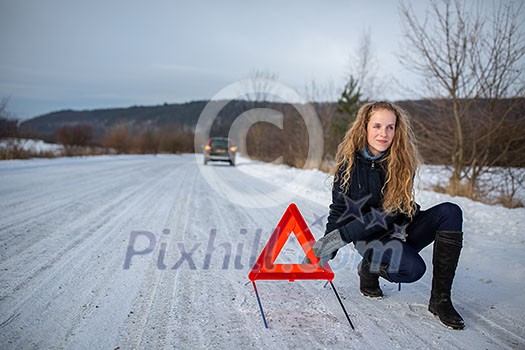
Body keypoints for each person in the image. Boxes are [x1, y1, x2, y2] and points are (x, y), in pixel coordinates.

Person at [312, 101, 465, 330]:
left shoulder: (402, 161)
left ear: (396, 130)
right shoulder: (348, 165)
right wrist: (327, 245)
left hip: (401, 228)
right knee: (412, 270)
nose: (383, 133)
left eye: (390, 127)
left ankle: (440, 300)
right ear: (364, 127)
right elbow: (339, 210)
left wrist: (338, 237)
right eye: (377, 126)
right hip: (370, 240)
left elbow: (392, 211)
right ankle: (368, 268)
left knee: (450, 212)